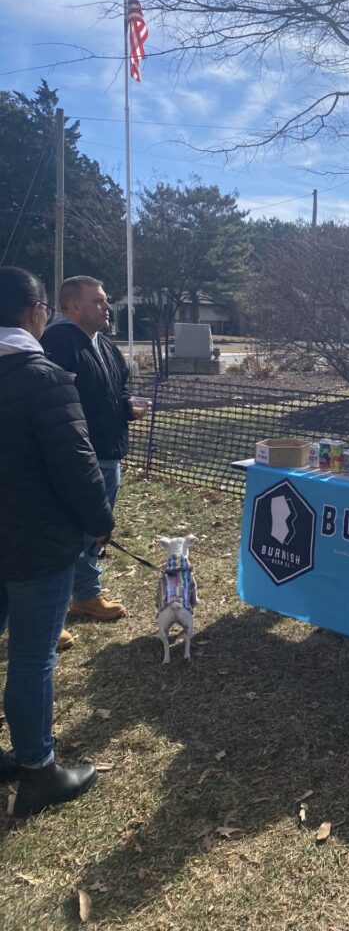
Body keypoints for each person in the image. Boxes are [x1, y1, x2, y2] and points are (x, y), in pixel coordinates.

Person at [0, 266, 115, 817]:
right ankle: (38, 770)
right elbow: (77, 465)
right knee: (32, 656)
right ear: (34, 313)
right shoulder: (42, 377)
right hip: (34, 542)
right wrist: (100, 521)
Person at [41, 275, 144, 623]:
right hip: (79, 456)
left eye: (106, 299)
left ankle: (85, 594)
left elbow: (116, 389)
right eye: (98, 301)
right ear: (72, 306)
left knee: (96, 529)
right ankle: (74, 597)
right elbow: (52, 401)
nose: (107, 307)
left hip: (107, 451)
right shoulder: (58, 341)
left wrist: (128, 404)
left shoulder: (103, 343)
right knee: (77, 529)